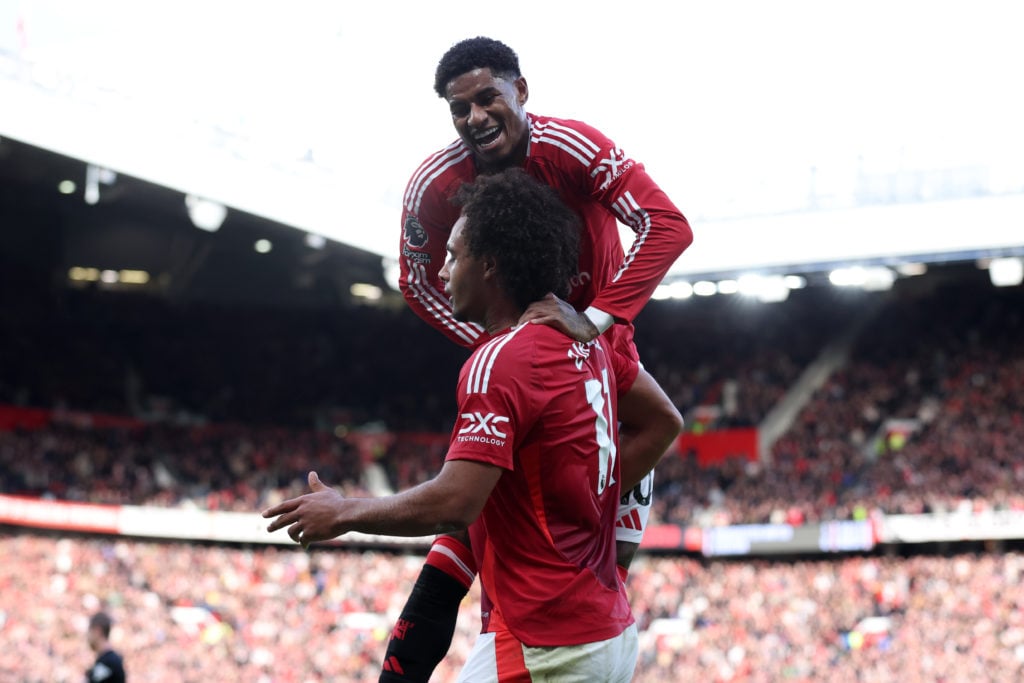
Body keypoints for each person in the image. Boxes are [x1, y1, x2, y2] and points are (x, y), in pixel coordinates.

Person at [389, 35, 693, 681]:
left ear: (521, 91)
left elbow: (667, 224)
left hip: (601, 361)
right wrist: (504, 345)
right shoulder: (437, 183)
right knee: (472, 561)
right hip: (539, 368)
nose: (474, 116)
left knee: (582, 578)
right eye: (458, 107)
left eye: (486, 97)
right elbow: (415, 279)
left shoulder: (572, 148)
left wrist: (595, 321)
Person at [266, 168, 638, 682]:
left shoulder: (499, 360)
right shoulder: (586, 339)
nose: (441, 272)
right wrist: (587, 485)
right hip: (608, 631)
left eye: (453, 256)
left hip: (547, 643)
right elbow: (665, 421)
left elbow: (455, 503)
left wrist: (344, 512)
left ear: (490, 266)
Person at [85, 611, 126, 683]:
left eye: (90, 631)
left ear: (97, 630)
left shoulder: (110, 661)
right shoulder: (106, 660)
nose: (88, 636)